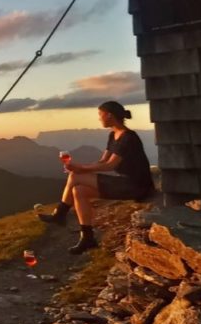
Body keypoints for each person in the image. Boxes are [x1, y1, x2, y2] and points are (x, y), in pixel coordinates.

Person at [38, 100, 155, 254]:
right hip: (127, 183)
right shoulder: (113, 135)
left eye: (100, 115)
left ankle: (60, 214)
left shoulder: (128, 138)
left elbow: (110, 166)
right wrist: (81, 168)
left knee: (74, 176)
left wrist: (80, 169)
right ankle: (87, 238)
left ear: (109, 115)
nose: (99, 118)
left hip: (137, 186)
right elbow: (102, 161)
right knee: (79, 191)